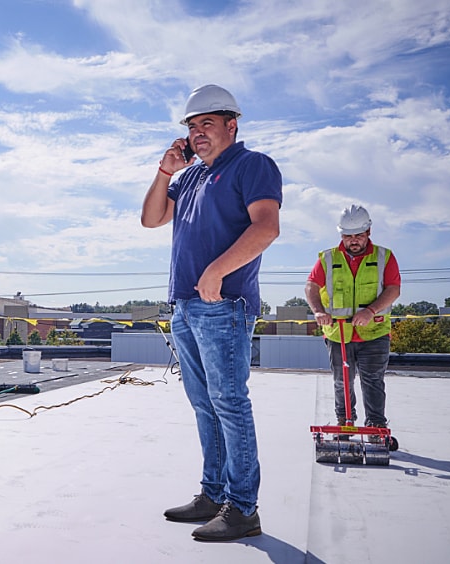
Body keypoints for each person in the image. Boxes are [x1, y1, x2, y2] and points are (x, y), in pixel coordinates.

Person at [142, 84, 282, 542]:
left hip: (222, 306)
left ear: (231, 124)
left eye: (207, 123)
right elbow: (150, 218)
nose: (199, 133)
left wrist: (217, 272)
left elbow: (267, 227)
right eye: (192, 127)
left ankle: (242, 508)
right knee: (204, 405)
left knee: (229, 404)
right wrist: (165, 170)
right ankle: (213, 492)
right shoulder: (189, 178)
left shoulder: (252, 165)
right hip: (184, 306)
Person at [304, 205, 401, 432]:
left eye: (358, 235)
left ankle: (376, 425)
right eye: (348, 236)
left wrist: (371, 310)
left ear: (368, 232)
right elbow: (311, 286)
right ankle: (345, 421)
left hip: (374, 333)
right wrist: (318, 311)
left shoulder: (384, 257)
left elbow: (393, 289)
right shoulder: (327, 258)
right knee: (342, 382)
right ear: (341, 235)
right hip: (339, 334)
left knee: (373, 381)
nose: (353, 240)